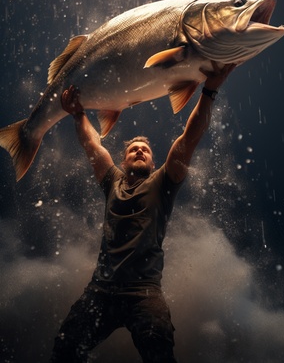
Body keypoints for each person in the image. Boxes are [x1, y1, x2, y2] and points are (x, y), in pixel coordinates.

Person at [50, 61, 236, 362]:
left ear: (152, 162)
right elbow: (92, 144)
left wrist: (210, 91)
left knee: (159, 353)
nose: (138, 150)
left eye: (145, 150)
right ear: (123, 162)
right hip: (101, 290)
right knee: (64, 350)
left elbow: (190, 138)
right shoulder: (112, 181)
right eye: (132, 149)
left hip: (144, 293)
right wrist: (78, 113)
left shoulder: (164, 182)